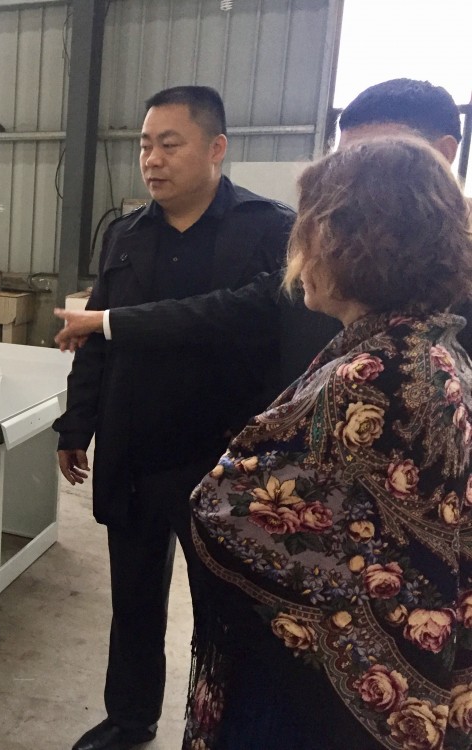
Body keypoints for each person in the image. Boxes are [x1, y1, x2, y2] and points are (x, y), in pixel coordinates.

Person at [184, 136, 472, 749]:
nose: (300, 249)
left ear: (354, 240)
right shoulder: (434, 347)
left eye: (311, 227)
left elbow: (226, 511)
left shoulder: (370, 374)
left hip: (320, 691)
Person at [53, 86, 295, 750]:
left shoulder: (269, 230)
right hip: (136, 449)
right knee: (133, 600)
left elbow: (244, 317)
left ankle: (219, 728)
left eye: (169, 144)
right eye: (144, 146)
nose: (152, 160)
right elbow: (93, 342)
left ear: (216, 148)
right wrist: (77, 426)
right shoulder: (127, 235)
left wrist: (112, 322)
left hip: (220, 459)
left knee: (225, 610)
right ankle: (130, 718)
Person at [53, 79, 467, 387]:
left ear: (443, 155)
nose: (350, 187)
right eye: (345, 164)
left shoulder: (270, 226)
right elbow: (225, 311)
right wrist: (104, 321)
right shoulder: (344, 264)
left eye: (377, 163)